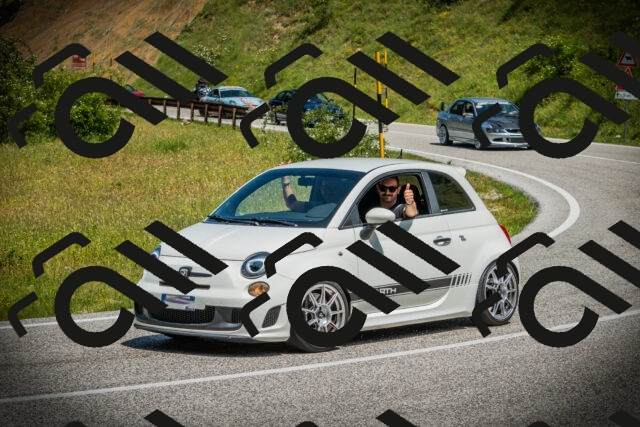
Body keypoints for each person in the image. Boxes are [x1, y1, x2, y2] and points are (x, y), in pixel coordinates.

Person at [281, 175, 346, 213]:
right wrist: (285, 178)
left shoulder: (348, 208)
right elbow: (292, 204)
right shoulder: (317, 207)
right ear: (321, 189)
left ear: (341, 189)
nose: (328, 192)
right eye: (325, 188)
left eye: (332, 188)